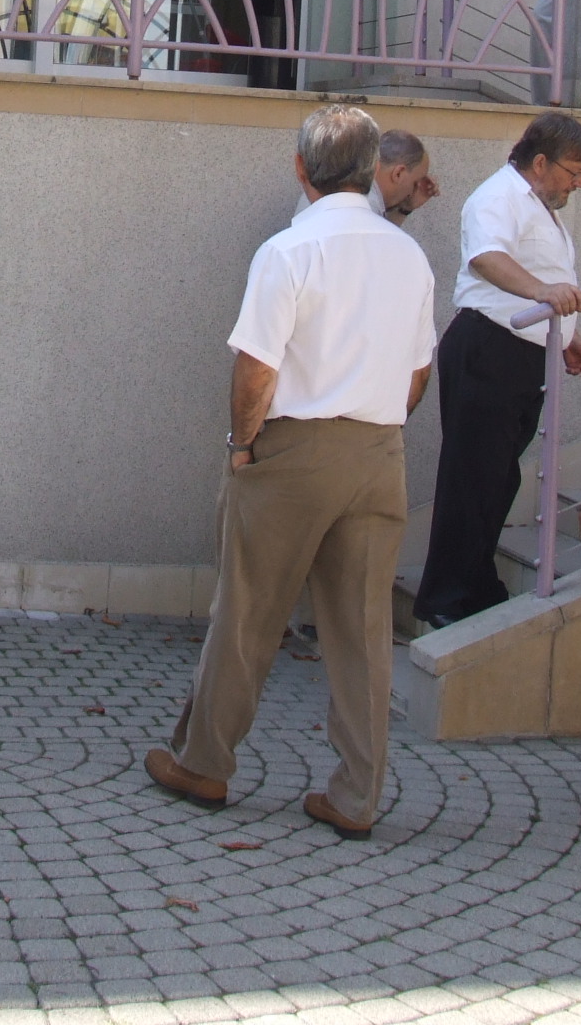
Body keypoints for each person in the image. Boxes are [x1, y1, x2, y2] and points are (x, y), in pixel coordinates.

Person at [145, 105, 438, 838]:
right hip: (379, 451)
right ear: (373, 172)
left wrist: (243, 445)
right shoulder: (408, 256)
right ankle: (357, 796)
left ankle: (205, 762)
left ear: (301, 168)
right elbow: (418, 372)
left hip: (293, 449)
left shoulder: (288, 249)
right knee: (363, 630)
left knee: (248, 613)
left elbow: (256, 370)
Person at [410, 110, 581, 631]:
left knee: (497, 477)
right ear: (540, 162)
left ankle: (475, 585)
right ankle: (446, 597)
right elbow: (486, 259)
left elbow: (544, 274)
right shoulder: (497, 196)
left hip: (521, 352)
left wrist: (565, 338)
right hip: (488, 347)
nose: (579, 184)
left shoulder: (536, 204)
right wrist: (543, 295)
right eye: (574, 172)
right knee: (473, 476)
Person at [370, 129, 440, 227]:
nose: (411, 193)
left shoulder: (364, 195)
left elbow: (385, 232)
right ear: (398, 173)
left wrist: (405, 208)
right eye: (415, 184)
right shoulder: (367, 206)